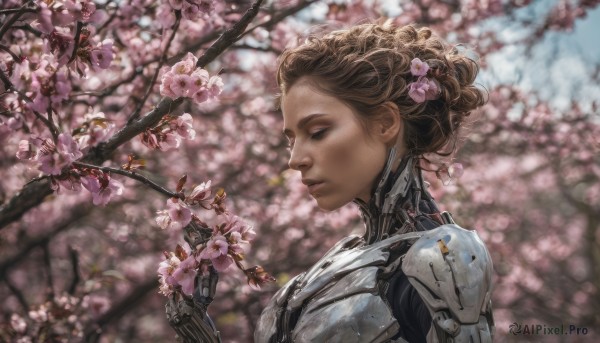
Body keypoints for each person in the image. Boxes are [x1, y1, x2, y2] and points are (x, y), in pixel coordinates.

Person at [166, 22, 495, 343]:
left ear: (385, 122)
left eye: (318, 132)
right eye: (291, 139)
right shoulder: (339, 258)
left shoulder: (447, 257)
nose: (294, 160)